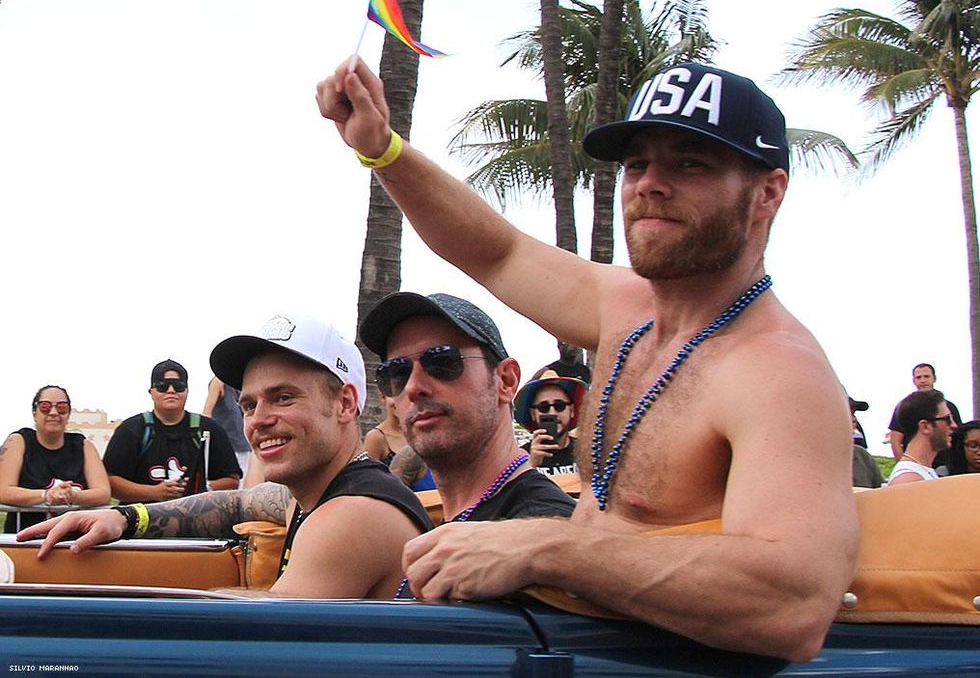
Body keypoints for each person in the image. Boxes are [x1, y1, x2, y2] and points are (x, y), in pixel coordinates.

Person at [319, 58, 858, 661]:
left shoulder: (778, 371)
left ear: (768, 193)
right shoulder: (627, 309)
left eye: (690, 164)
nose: (650, 184)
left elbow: (794, 605)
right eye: (637, 164)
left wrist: (545, 548)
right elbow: (496, 252)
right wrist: (383, 149)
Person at [18, 315, 432, 599]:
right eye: (249, 404)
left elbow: (265, 641)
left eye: (283, 397)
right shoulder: (315, 496)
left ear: (345, 404)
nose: (259, 420)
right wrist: (124, 518)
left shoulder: (354, 514)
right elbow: (237, 503)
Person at [359, 291, 577, 527]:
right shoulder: (454, 523)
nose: (412, 387)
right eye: (396, 372)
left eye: (442, 361)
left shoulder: (542, 530)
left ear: (506, 381)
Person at [102, 360, 242, 503]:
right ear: (151, 392)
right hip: (144, 514)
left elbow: (232, 479)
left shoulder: (210, 429)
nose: (171, 390)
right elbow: (108, 480)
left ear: (187, 391)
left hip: (195, 514)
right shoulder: (131, 429)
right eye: (162, 386)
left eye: (178, 386)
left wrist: (200, 487)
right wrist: (154, 493)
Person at [0, 385, 111, 532]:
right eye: (45, 407)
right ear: (34, 412)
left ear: (68, 414)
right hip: (25, 537)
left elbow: (103, 493)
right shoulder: (18, 441)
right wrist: (47, 495)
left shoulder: (84, 445)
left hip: (74, 540)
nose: (53, 412)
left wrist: (72, 496)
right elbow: (3, 491)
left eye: (62, 408)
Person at [513, 370, 587, 477]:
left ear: (571, 410)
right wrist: (531, 464)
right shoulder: (519, 457)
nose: (552, 413)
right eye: (544, 407)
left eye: (559, 406)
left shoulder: (586, 452)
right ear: (533, 414)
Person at [886, 363, 962, 463]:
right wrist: (905, 464)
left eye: (926, 376)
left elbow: (959, 437)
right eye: (918, 377)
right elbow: (895, 441)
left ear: (934, 378)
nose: (922, 380)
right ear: (914, 381)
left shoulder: (948, 407)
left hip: (946, 464)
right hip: (917, 463)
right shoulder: (905, 407)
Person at [364, 389, 435, 491]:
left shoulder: (424, 431)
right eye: (394, 395)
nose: (400, 401)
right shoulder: (376, 437)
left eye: (405, 395)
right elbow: (369, 483)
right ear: (383, 397)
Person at [886, 389, 955, 486]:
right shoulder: (909, 479)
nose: (954, 425)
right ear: (925, 426)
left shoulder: (920, 472)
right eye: (948, 419)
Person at [202, 377, 251, 479]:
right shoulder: (218, 382)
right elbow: (207, 413)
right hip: (225, 450)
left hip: (245, 447)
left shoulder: (239, 386)